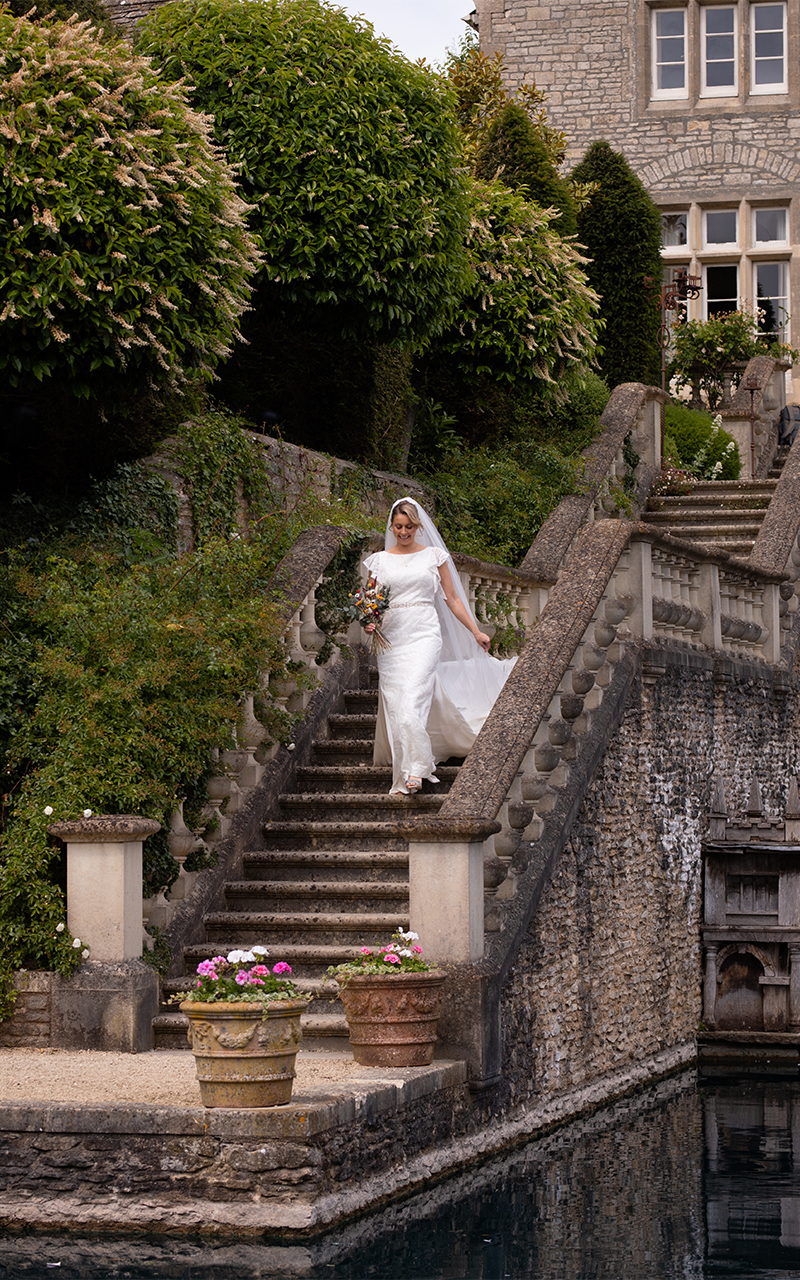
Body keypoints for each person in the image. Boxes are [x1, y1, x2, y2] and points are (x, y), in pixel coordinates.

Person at [363, 497, 517, 796]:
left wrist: (475, 631)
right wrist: (371, 622)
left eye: (409, 527)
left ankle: (417, 768)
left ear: (418, 527)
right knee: (398, 705)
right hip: (392, 640)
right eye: (398, 527)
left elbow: (453, 599)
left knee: (412, 700)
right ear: (391, 526)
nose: (403, 532)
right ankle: (408, 768)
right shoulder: (379, 561)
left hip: (424, 635)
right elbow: (372, 602)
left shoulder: (434, 556)